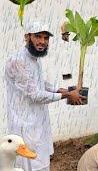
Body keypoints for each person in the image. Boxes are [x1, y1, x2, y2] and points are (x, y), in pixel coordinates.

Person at [5, 21, 85, 171]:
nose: (42, 41)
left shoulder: (34, 60)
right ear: (27, 37)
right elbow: (35, 94)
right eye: (38, 36)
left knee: (41, 161)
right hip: (24, 124)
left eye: (46, 38)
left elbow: (39, 82)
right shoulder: (17, 62)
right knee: (29, 164)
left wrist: (59, 89)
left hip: (37, 121)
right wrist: (67, 95)